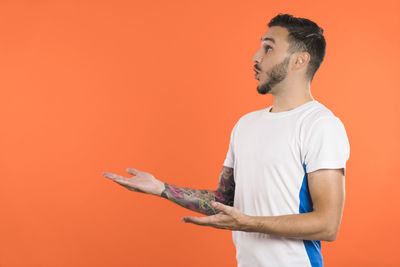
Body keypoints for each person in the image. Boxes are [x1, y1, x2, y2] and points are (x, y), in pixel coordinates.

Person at [103, 13, 350, 267]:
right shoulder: (245, 125)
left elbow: (327, 224)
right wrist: (162, 189)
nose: (256, 57)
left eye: (268, 48)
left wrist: (248, 223)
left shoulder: (320, 125)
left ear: (300, 60)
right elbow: (224, 201)